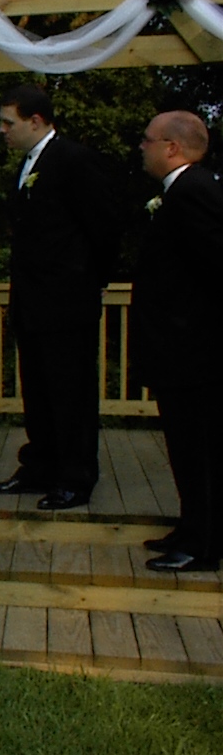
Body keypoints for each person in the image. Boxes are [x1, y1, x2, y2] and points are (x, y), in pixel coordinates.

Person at [0, 84, 119, 510]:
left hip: (67, 302)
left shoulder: (74, 160)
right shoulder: (28, 164)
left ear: (36, 121)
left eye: (9, 122)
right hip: (32, 302)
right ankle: (40, 467)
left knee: (70, 394)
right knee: (39, 392)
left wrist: (90, 281)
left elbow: (103, 226)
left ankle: (75, 478)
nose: (2, 130)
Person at [132, 110, 223, 572]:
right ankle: (192, 527)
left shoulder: (194, 192)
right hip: (185, 349)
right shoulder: (184, 191)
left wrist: (191, 330)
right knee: (186, 447)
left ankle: (203, 544)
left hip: (196, 351)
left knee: (199, 449)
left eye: (147, 140)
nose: (141, 147)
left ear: (172, 147)